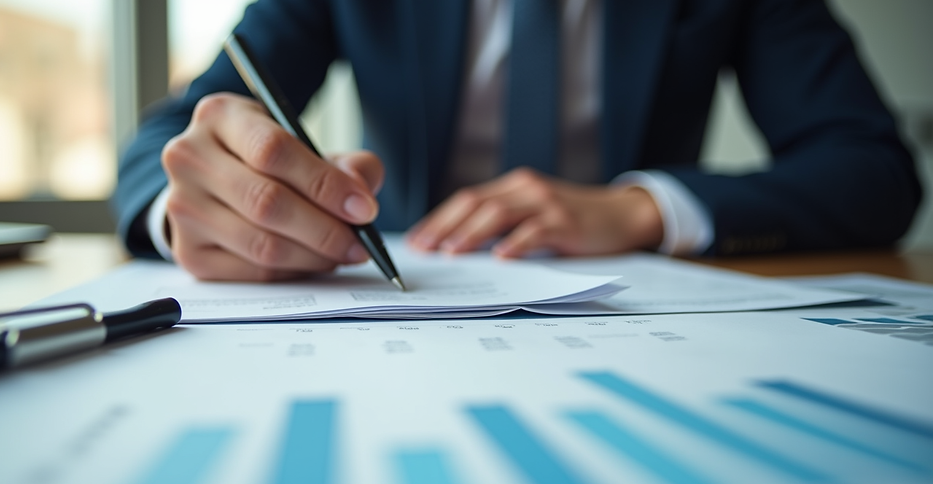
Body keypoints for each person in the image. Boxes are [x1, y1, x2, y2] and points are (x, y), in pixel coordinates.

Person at [113, 0, 922, 282]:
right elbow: (169, 139)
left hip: (645, 322)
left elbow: (872, 169)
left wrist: (646, 209)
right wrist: (195, 205)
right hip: (398, 316)